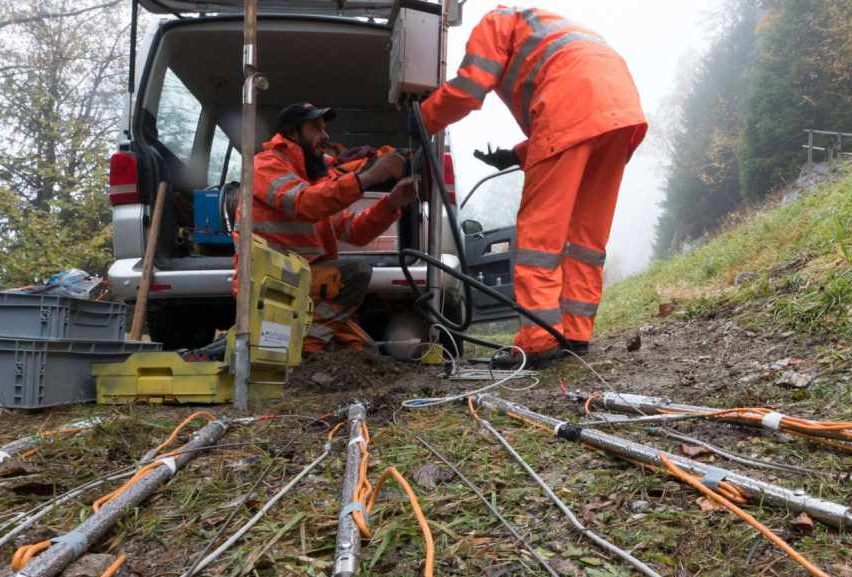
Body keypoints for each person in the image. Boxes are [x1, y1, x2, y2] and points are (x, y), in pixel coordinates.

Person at [417, 6, 647, 368]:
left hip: (573, 109)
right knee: (585, 240)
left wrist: (421, 118)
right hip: (621, 113)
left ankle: (539, 342)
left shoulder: (496, 22)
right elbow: (579, 111)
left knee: (539, 241)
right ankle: (575, 334)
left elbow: (468, 89)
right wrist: (515, 154)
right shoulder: (546, 27)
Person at [241, 103, 418, 352]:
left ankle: (304, 345)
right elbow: (305, 204)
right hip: (270, 280)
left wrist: (391, 204)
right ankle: (304, 348)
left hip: (302, 280)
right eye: (315, 128)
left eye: (324, 129)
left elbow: (355, 232)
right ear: (293, 133)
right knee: (355, 272)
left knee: (364, 351)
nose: (325, 136)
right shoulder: (264, 166)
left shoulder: (313, 180)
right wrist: (367, 177)